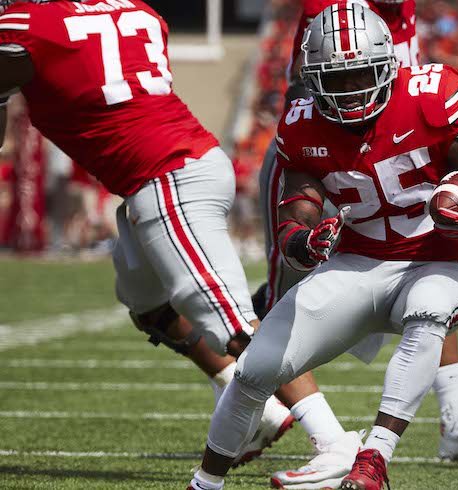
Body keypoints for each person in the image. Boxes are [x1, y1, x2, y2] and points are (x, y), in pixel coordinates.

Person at [188, 4, 458, 490]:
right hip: (357, 262)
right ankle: (205, 483)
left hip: (433, 261)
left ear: (387, 65)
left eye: (360, 74)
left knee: (430, 310)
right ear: (313, 77)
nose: (349, 90)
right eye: (336, 78)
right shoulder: (302, 124)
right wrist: (302, 242)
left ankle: (374, 459)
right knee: (254, 370)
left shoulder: (430, 97)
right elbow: (297, 210)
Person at [0, 0, 324, 467]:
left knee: (234, 326)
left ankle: (335, 442)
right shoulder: (139, 10)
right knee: (148, 304)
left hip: (168, 175)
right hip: (168, 169)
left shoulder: (30, 25)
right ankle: (254, 403)